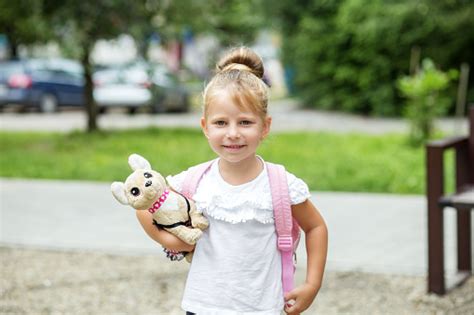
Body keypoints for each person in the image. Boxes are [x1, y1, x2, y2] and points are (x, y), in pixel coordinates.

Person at [136, 46, 328, 315]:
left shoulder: (280, 185)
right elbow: (144, 204)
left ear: (265, 126)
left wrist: (313, 283)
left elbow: (316, 226)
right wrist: (168, 240)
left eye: (246, 122)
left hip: (264, 309)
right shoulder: (195, 180)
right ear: (205, 127)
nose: (233, 133)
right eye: (221, 123)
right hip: (202, 308)